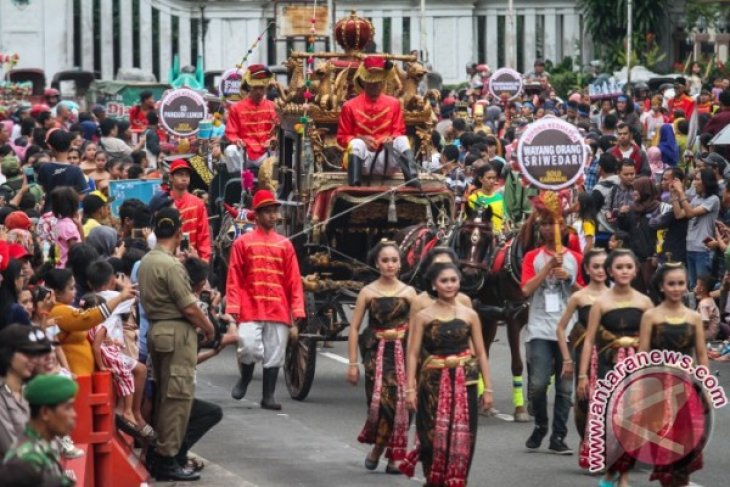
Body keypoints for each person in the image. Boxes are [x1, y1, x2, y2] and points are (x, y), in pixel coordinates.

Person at [137, 207, 215, 481]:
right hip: (175, 332)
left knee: (164, 395)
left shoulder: (148, 260)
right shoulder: (170, 265)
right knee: (176, 399)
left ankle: (162, 456)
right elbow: (189, 306)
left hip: (158, 330)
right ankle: (167, 458)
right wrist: (209, 328)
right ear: (179, 233)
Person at [401, 262, 493, 486]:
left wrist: (488, 388)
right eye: (444, 281)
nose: (450, 285)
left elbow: (480, 353)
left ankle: (458, 480)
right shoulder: (423, 317)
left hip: (465, 382)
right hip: (432, 383)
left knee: (464, 438)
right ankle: (432, 478)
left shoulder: (470, 315)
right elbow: (412, 354)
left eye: (454, 280)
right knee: (431, 436)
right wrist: (410, 389)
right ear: (434, 284)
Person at [577, 249, 653, 487]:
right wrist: (582, 376)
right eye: (619, 267)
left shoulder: (644, 302)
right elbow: (589, 340)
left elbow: (649, 340)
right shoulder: (601, 303)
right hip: (606, 368)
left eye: (629, 267)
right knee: (610, 421)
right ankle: (612, 473)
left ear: (635, 270)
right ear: (610, 271)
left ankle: (624, 477)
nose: (624, 271)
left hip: (634, 369)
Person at [226, 190, 305, 409]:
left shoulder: (285, 244)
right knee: (248, 346)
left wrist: (297, 311)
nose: (272, 216)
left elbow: (293, 281)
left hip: (278, 307)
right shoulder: (242, 243)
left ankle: (267, 396)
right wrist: (233, 307)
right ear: (257, 215)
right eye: (267, 212)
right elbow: (234, 278)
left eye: (274, 212)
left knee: (275, 353)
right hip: (250, 306)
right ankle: (245, 378)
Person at [346, 240, 417, 472]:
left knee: (405, 405)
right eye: (385, 260)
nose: (389, 265)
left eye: (394, 260)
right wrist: (353, 364)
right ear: (377, 263)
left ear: (400, 264)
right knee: (381, 406)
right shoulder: (368, 292)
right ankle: (378, 447)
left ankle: (394, 456)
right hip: (376, 356)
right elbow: (354, 329)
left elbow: (417, 330)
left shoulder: (409, 293)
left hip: (404, 354)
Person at [638, 263, 709, 487]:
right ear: (661, 286)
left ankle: (682, 480)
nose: (677, 288)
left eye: (681, 283)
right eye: (671, 284)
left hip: (686, 386)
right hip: (658, 388)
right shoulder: (650, 316)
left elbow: (701, 355)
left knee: (688, 439)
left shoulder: (693, 317)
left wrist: (704, 386)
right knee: (664, 442)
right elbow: (643, 356)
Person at [521, 208, 583, 454]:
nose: (548, 229)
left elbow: (585, 294)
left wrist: (567, 278)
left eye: (553, 224)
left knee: (565, 388)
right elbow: (526, 290)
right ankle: (540, 424)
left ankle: (558, 436)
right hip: (539, 328)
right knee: (537, 385)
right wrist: (547, 269)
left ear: (563, 228)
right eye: (544, 224)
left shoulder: (576, 258)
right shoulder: (532, 257)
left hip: (567, 329)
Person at [555, 248, 608, 468]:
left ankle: (611, 449)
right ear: (586, 269)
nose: (600, 271)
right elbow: (560, 328)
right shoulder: (579, 296)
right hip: (587, 355)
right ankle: (590, 446)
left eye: (605, 266)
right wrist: (567, 359)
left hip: (612, 355)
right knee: (587, 402)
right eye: (595, 266)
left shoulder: (619, 295)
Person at [337, 56, 419, 187]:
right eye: (371, 82)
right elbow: (342, 138)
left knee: (402, 140)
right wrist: (360, 138)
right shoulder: (349, 106)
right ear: (363, 82)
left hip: (386, 159)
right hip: (362, 161)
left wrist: (391, 138)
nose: (375, 86)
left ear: (383, 82)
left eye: (378, 82)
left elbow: (398, 131)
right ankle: (355, 186)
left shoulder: (394, 104)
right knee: (356, 143)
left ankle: (413, 181)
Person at [45, 267, 134, 376]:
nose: (75, 291)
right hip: (76, 373)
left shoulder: (64, 308)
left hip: (82, 373)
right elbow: (88, 319)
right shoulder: (58, 311)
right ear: (58, 293)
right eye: (71, 288)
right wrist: (120, 298)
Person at [3, 374, 78, 487]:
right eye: (68, 408)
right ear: (45, 413)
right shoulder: (27, 461)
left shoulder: (42, 447)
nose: (74, 414)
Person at [0, 325, 53, 457]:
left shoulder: (28, 392)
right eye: (26, 353)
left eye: (34, 354)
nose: (33, 360)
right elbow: (13, 449)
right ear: (8, 354)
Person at [670, 168, 721, 289]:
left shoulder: (713, 199)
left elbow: (690, 213)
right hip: (690, 247)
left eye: (697, 179)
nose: (694, 182)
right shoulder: (696, 199)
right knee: (692, 286)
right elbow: (679, 215)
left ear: (706, 182)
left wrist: (682, 192)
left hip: (703, 250)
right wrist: (674, 195)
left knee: (701, 287)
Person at [224, 65, 278, 171]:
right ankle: (238, 183)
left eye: (261, 88)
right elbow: (231, 133)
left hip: (266, 154)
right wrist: (237, 141)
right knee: (230, 150)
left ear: (266, 88)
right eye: (255, 88)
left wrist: (272, 140)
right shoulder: (236, 108)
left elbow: (278, 131)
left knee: (283, 152)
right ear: (249, 87)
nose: (259, 92)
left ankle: (275, 185)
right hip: (245, 153)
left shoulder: (273, 107)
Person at [167, 159, 211, 262]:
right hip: (169, 261)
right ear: (171, 178)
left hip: (192, 260)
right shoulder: (164, 202)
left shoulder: (198, 203)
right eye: (180, 175)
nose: (184, 178)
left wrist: (204, 261)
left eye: (187, 175)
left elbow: (203, 235)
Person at [466, 163, 508, 234]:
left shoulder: (500, 199)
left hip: (498, 238)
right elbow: (468, 222)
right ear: (480, 179)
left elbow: (505, 221)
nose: (492, 181)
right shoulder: (473, 199)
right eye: (489, 178)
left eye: (494, 178)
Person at [695, 274, 720, 340]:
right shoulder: (710, 299)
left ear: (701, 288)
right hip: (714, 332)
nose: (695, 287)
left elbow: (705, 323)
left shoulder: (704, 304)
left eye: (697, 284)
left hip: (706, 335)